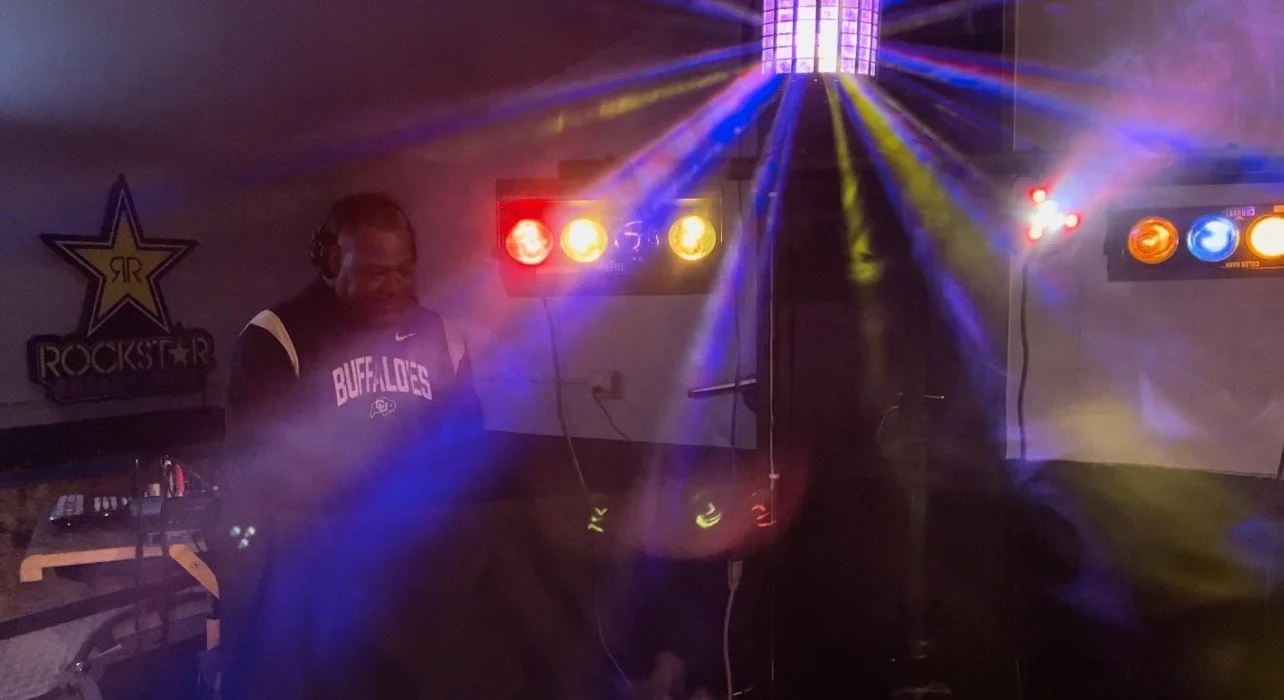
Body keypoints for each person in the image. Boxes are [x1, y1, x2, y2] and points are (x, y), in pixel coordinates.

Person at [213, 192, 485, 699]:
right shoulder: (278, 336)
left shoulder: (441, 335)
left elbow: (465, 441)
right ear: (332, 262)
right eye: (377, 272)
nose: (395, 287)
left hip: (415, 565)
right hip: (311, 573)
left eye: (405, 270)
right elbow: (266, 459)